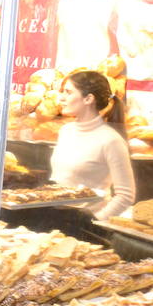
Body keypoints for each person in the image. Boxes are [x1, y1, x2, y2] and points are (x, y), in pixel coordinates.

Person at [52, 69, 135, 221]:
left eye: (68, 92)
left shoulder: (111, 140)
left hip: (86, 226)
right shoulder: (66, 131)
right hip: (55, 217)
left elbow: (126, 196)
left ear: (88, 99)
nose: (61, 98)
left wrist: (94, 220)